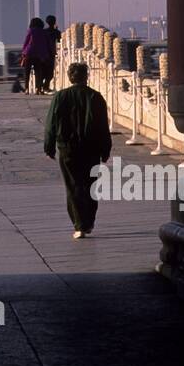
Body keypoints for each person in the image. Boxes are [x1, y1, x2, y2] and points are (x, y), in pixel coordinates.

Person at [43, 61, 112, 238]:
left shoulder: (60, 97)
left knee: (73, 186)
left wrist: (49, 146)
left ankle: (79, 225)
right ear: (86, 76)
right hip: (91, 149)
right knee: (90, 185)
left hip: (68, 149)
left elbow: (51, 123)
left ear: (69, 77)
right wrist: (106, 149)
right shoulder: (95, 97)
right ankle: (88, 222)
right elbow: (103, 126)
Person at [20, 16, 52, 95]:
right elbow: (47, 44)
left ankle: (26, 89)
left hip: (29, 53)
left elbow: (26, 42)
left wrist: (23, 53)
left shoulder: (30, 31)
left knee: (27, 72)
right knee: (38, 72)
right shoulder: (44, 32)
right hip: (39, 55)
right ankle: (38, 88)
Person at [42, 14, 62, 91]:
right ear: (54, 22)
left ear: (47, 22)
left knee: (44, 71)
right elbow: (60, 42)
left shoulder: (44, 32)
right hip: (51, 54)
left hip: (44, 54)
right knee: (50, 73)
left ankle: (42, 86)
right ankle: (45, 86)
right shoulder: (57, 32)